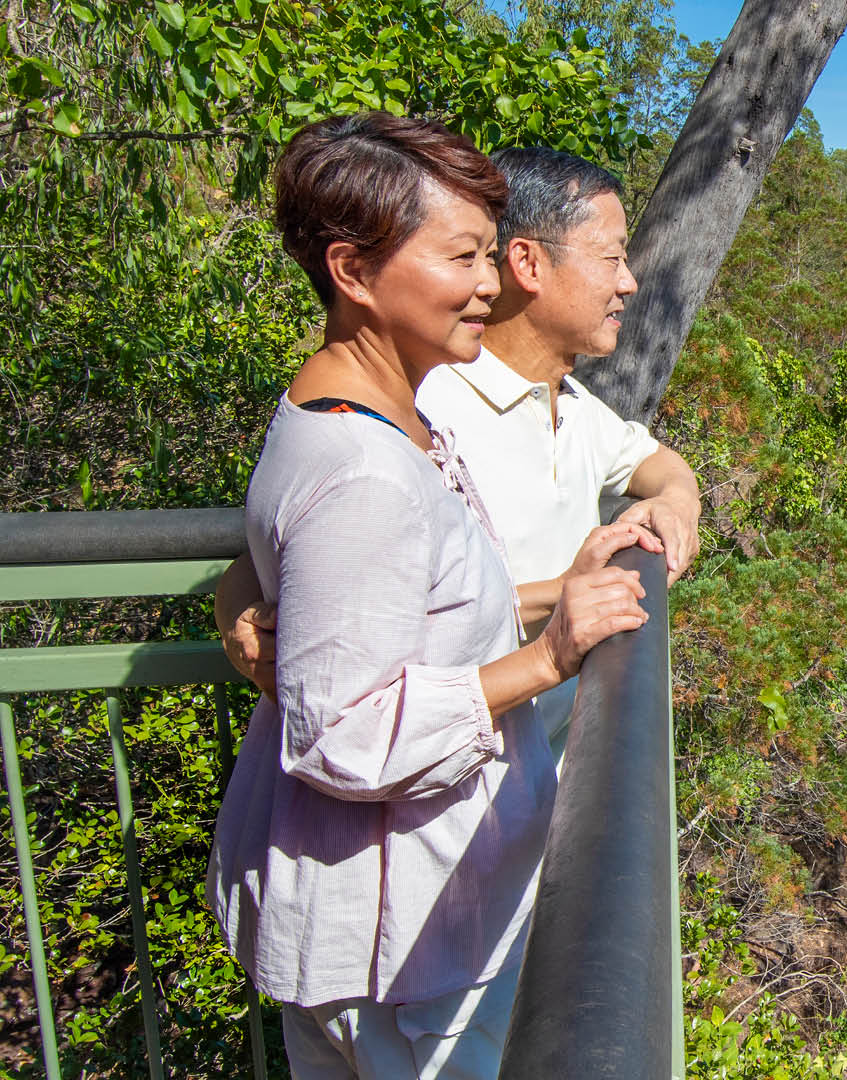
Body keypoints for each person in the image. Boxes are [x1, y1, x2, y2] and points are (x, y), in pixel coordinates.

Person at [207, 112, 649, 1079]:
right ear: (353, 273)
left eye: (492, 257)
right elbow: (340, 736)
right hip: (403, 943)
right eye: (462, 258)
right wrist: (547, 657)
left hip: (393, 920)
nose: (490, 286)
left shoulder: (364, 405)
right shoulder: (366, 464)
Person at [218, 146, 701, 752]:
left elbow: (655, 462)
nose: (628, 282)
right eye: (611, 258)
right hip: (439, 794)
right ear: (529, 263)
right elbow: (295, 559)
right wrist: (237, 619)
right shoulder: (420, 407)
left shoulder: (568, 402)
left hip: (533, 781)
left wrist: (676, 503)